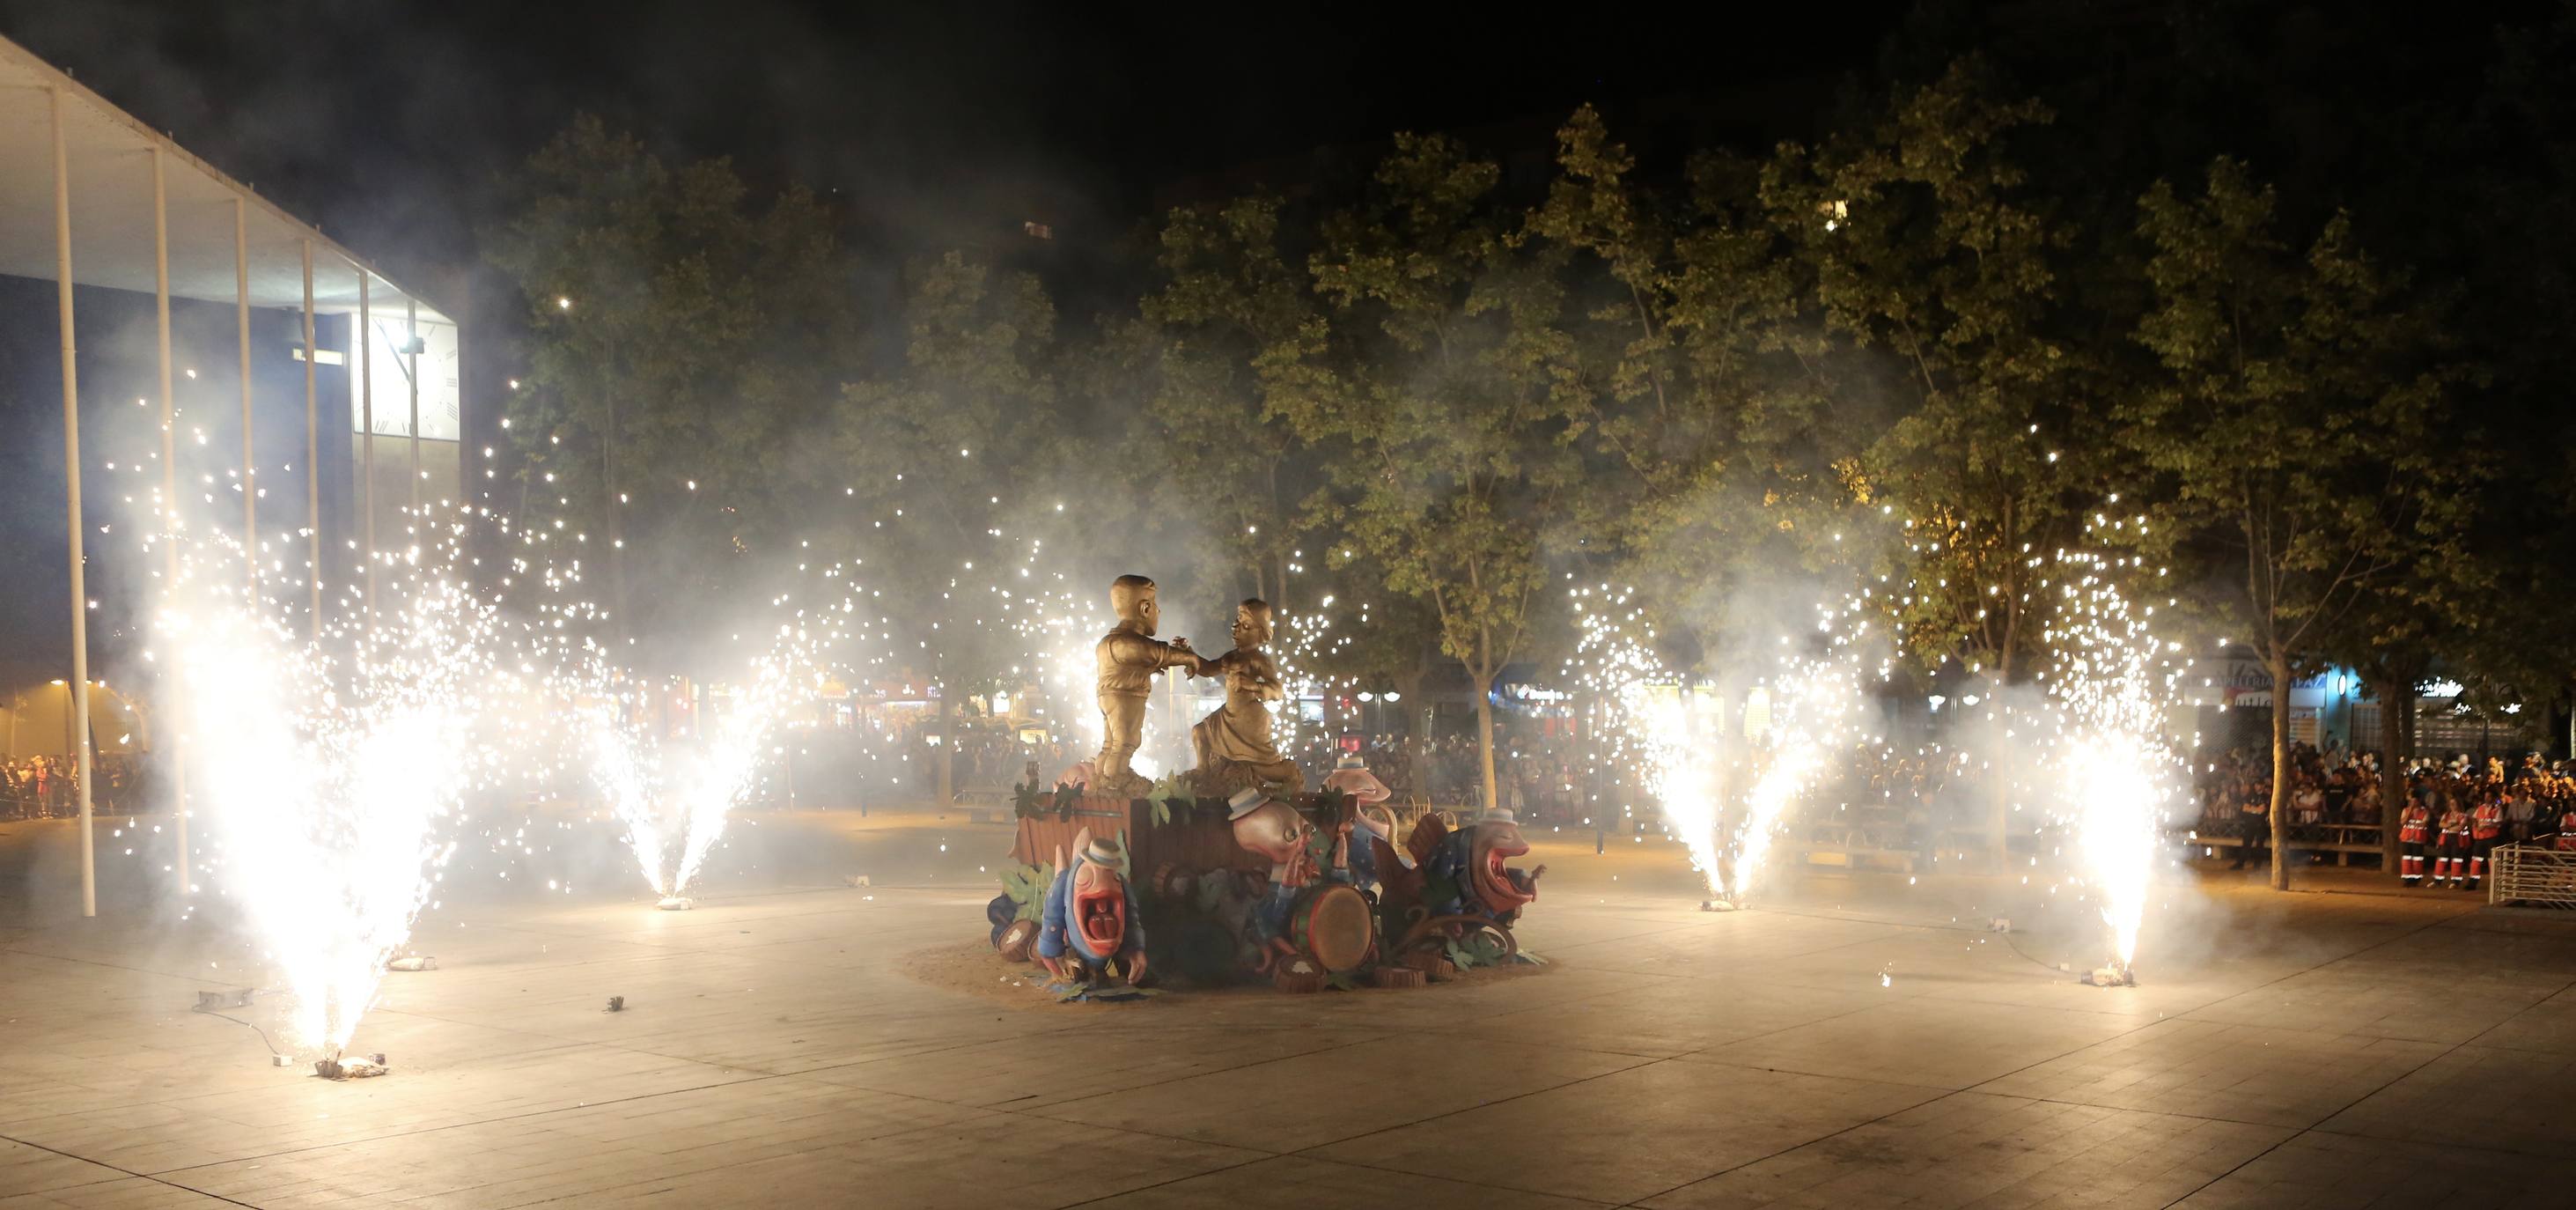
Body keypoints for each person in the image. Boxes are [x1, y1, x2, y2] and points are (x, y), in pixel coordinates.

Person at [2468, 791, 2505, 891]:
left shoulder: (2497, 809)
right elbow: (2474, 818)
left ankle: (2495, 885)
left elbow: (2498, 823)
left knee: (2492, 861)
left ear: (2492, 798)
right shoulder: (2480, 808)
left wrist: (2484, 826)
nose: (2486, 798)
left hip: (2491, 838)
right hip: (2480, 838)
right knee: (2476, 860)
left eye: (2489, 796)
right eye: (2486, 796)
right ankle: (2472, 883)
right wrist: (2475, 824)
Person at [2435, 796, 2471, 889]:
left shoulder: (2463, 816)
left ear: (2458, 805)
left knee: (2456, 860)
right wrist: (2451, 825)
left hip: (2457, 839)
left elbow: (2460, 827)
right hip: (2446, 838)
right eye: (2450, 803)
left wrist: (2447, 826)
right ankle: (2437, 881)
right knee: (2441, 859)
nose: (2451, 805)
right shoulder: (2446, 815)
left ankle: (2455, 882)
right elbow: (2440, 824)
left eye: (2454, 803)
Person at [2397, 794, 2431, 886]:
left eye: (2414, 801)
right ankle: (2407, 879)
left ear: (2419, 801)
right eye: (2411, 801)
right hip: (2407, 838)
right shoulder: (2406, 811)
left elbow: (2424, 824)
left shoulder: (2424, 812)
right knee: (2406, 859)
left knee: (2417, 860)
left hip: (2418, 839)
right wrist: (2410, 812)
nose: (2412, 803)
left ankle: (2416, 879)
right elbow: (2403, 822)